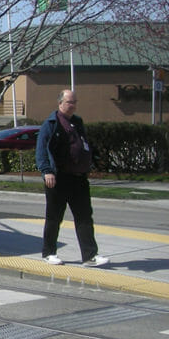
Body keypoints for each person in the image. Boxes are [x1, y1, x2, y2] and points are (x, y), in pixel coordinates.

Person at [35, 89, 109, 267]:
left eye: (75, 102)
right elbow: (41, 149)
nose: (73, 105)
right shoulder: (51, 124)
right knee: (54, 217)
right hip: (58, 178)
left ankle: (90, 256)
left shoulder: (77, 122)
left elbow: (83, 145)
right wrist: (47, 171)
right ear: (60, 103)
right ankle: (49, 253)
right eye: (69, 102)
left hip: (79, 178)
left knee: (84, 217)